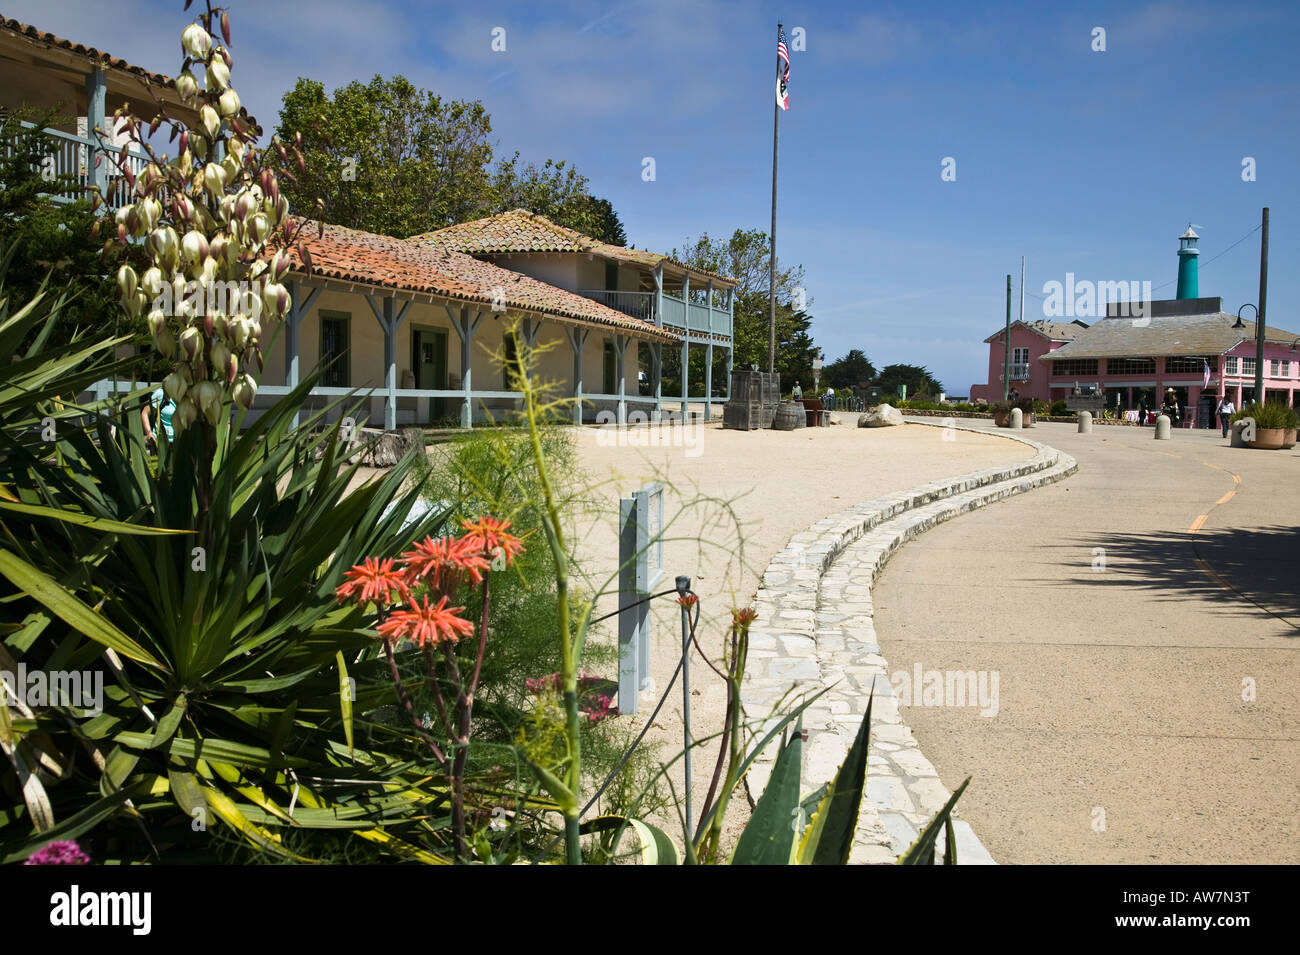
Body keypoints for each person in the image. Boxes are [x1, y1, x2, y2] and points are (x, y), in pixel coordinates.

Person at [142, 385, 175, 452]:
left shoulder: (186, 394)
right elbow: (145, 413)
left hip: (179, 442)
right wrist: (149, 433)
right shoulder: (161, 393)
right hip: (162, 443)